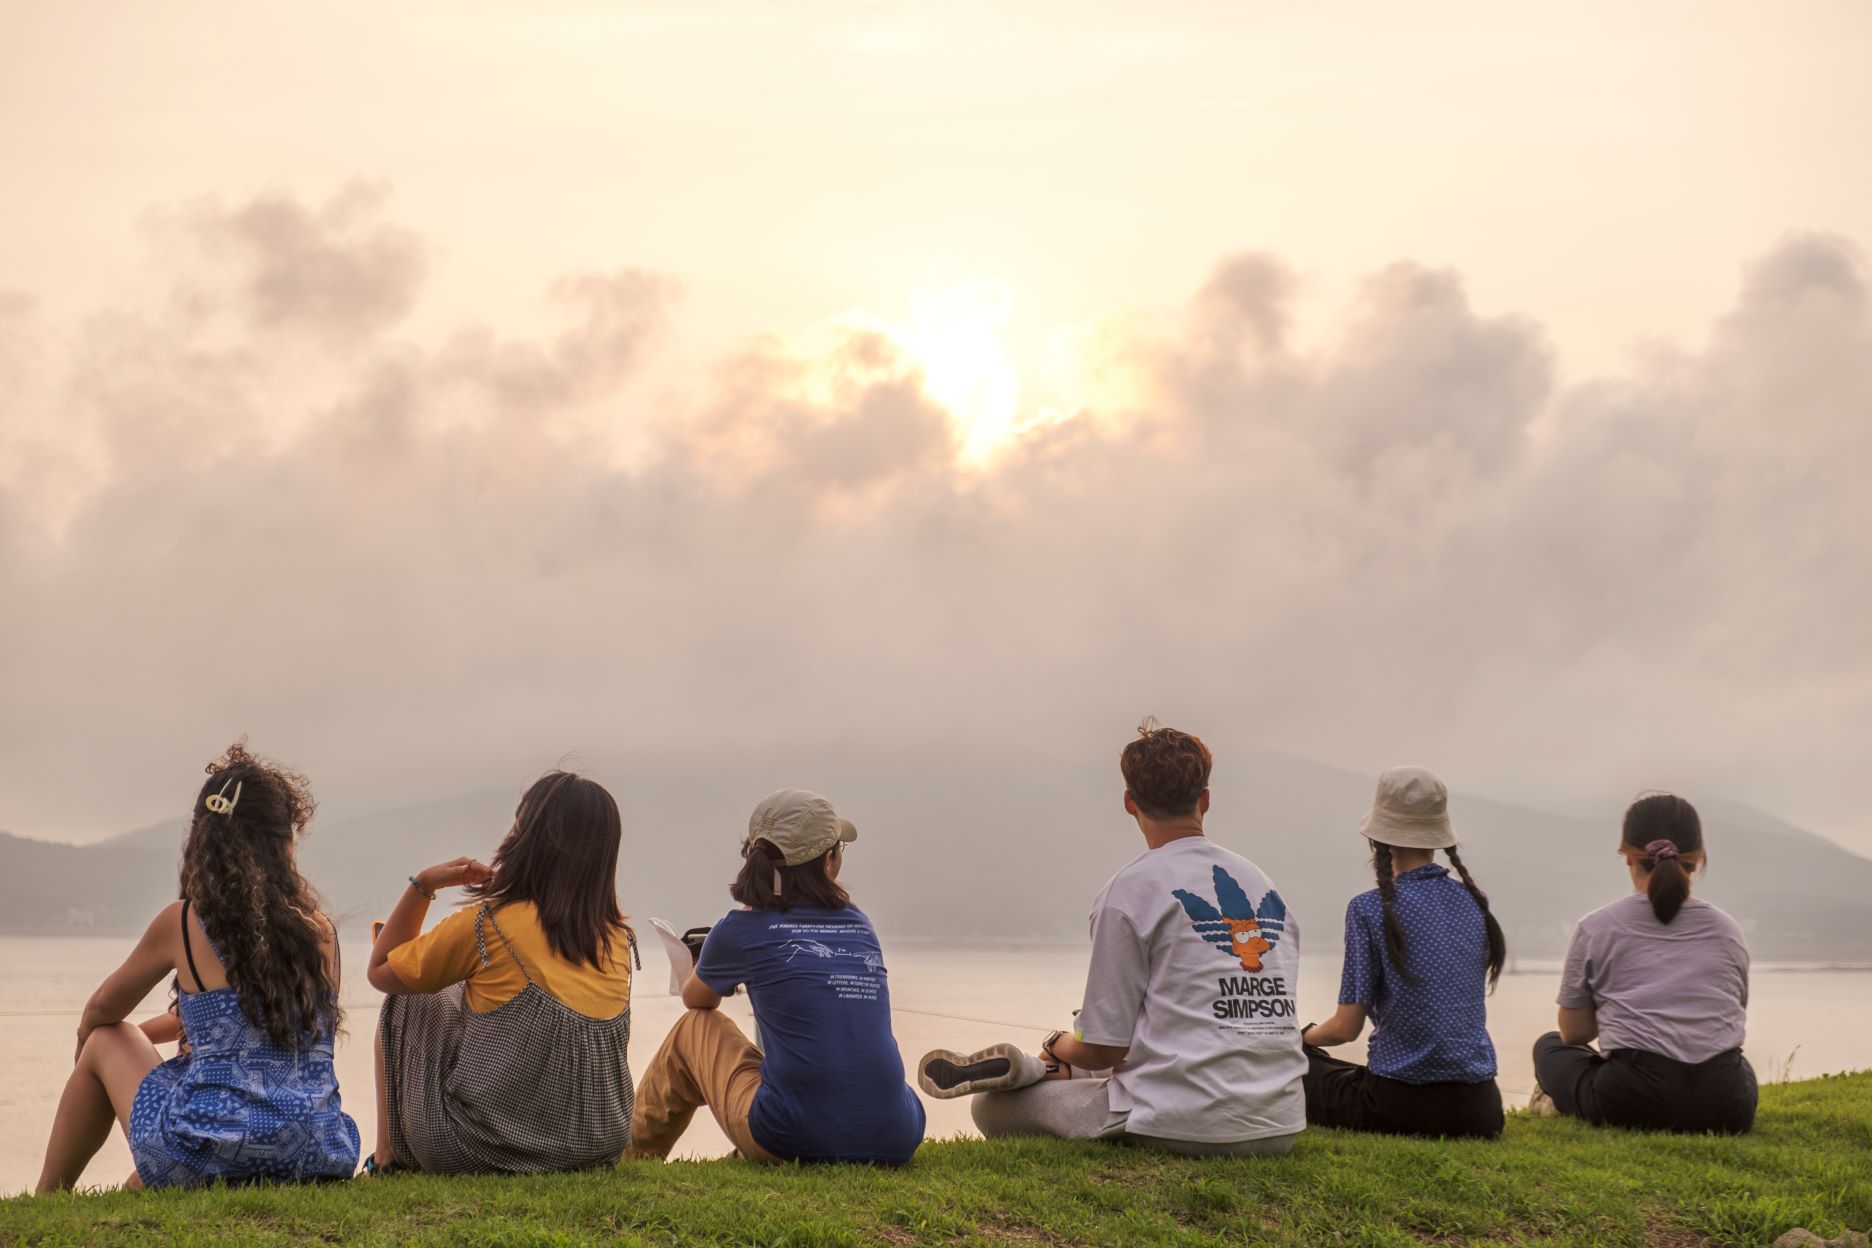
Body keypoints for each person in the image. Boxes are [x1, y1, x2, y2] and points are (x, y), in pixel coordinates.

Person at [916, 720, 1306, 1157]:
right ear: (1205, 800)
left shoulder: (1130, 891)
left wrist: (1055, 1042)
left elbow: (1103, 1050)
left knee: (992, 1108)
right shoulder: (1267, 890)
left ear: (1128, 802)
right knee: (1090, 1065)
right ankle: (1040, 1069)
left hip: (1188, 1124)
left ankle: (1033, 1067)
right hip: (1279, 1122)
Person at [35, 743, 359, 1192]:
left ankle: (48, 1194)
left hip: (212, 1152)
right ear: (284, 842)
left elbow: (102, 1010)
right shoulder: (320, 931)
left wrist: (85, 1054)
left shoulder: (184, 923)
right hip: (315, 1151)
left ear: (203, 841)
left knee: (108, 1037)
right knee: (177, 1102)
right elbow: (263, 1021)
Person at [625, 789, 925, 1166]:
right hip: (897, 1135)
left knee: (693, 1029)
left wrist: (716, 962)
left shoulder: (740, 929)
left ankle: (633, 1158)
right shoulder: (859, 925)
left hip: (793, 1139)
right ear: (829, 861)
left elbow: (697, 1000)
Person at [367, 770, 637, 1174]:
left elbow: (381, 970)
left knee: (414, 996)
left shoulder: (488, 924)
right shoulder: (617, 938)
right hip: (598, 1145)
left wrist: (423, 884)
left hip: (483, 1149)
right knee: (466, 989)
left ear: (528, 841)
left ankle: (386, 1159)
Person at [1299, 766, 1507, 1138]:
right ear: (1440, 836)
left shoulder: (1368, 908)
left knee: (1298, 1064)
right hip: (1481, 1111)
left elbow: (1346, 1029)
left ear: (1378, 838)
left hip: (1399, 1107)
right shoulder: (1475, 902)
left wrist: (1300, 1038)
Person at [1531, 793, 1755, 1133]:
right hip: (1726, 1105)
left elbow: (1576, 1033)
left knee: (1550, 1046)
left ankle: (1558, 1102)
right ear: (1697, 859)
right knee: (1739, 1065)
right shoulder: (1729, 930)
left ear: (1628, 856)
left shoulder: (1597, 927)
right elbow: (1730, 1016)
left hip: (1632, 1099)